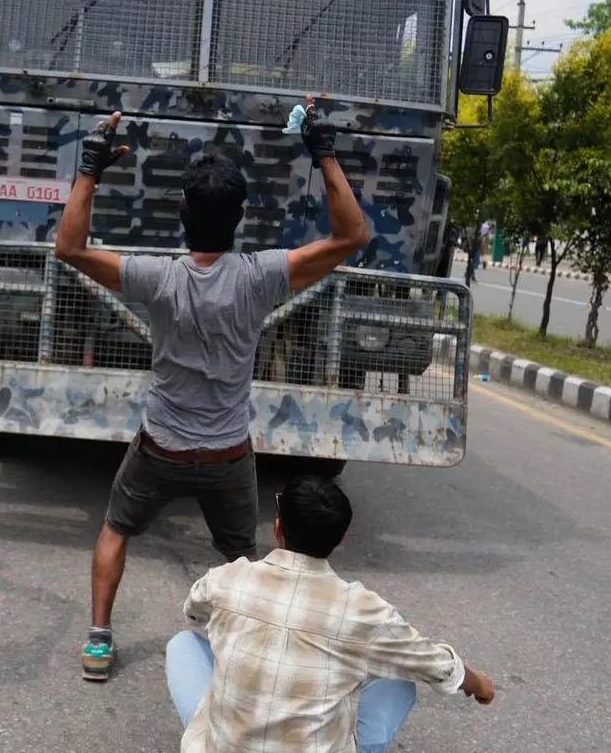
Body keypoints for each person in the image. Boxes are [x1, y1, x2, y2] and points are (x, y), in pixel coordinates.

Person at [54, 105, 369, 681]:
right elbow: (352, 235)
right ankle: (250, 652)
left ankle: (98, 641)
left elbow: (70, 248)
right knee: (242, 560)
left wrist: (90, 170)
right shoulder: (260, 276)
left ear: (182, 215)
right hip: (226, 454)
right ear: (239, 218)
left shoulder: (157, 276)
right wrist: (322, 150)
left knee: (116, 530)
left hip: (161, 448)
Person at [167, 475, 496, 752]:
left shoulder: (226, 580)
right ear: (341, 539)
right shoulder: (362, 611)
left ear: (277, 528)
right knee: (400, 679)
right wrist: (480, 685)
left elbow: (195, 617)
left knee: (184, 643)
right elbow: (436, 665)